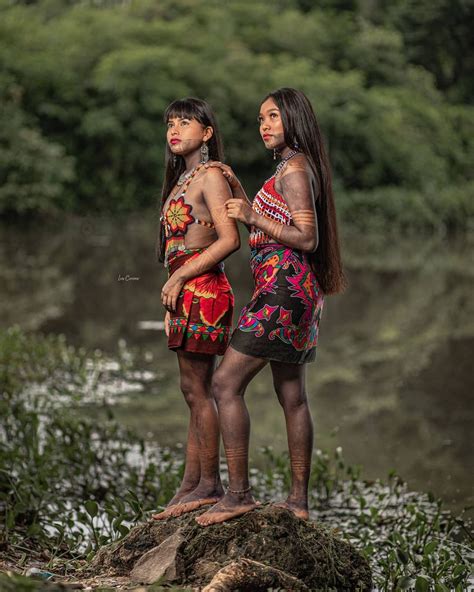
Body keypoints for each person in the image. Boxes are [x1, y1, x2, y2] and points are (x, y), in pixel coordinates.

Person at [196, 87, 346, 526]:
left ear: (294, 120)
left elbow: (307, 238)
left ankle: (238, 494)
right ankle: (297, 503)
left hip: (283, 293)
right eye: (261, 118)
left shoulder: (295, 170)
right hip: (298, 294)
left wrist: (251, 215)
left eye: (274, 117)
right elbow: (271, 213)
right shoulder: (291, 167)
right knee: (292, 394)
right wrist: (238, 189)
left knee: (224, 383)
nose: (264, 125)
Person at [152, 98, 240, 520]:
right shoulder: (181, 178)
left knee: (197, 389)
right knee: (192, 390)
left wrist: (180, 278)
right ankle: (192, 484)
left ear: (206, 133)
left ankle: (209, 484)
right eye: (170, 123)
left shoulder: (210, 177)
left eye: (185, 123)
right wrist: (174, 287)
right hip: (186, 289)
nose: (175, 130)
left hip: (204, 288)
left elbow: (229, 239)